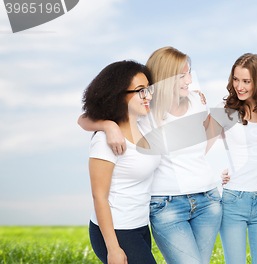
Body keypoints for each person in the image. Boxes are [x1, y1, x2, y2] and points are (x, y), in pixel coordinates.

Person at [79, 47, 222, 264]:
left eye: (189, 73)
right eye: (182, 75)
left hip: (151, 221)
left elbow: (204, 137)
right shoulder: (126, 125)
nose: (189, 80)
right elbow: (84, 118)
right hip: (139, 219)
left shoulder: (152, 120)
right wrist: (107, 125)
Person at [82, 60, 161, 264]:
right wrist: (113, 248)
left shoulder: (144, 125)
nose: (148, 96)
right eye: (140, 91)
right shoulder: (104, 140)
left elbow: (83, 119)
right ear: (118, 95)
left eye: (149, 89)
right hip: (116, 231)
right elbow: (99, 196)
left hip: (140, 226)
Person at [210, 53, 257, 264]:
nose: (239, 86)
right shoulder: (224, 111)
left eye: (246, 81)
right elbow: (198, 149)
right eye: (236, 79)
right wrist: (217, 174)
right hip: (234, 201)